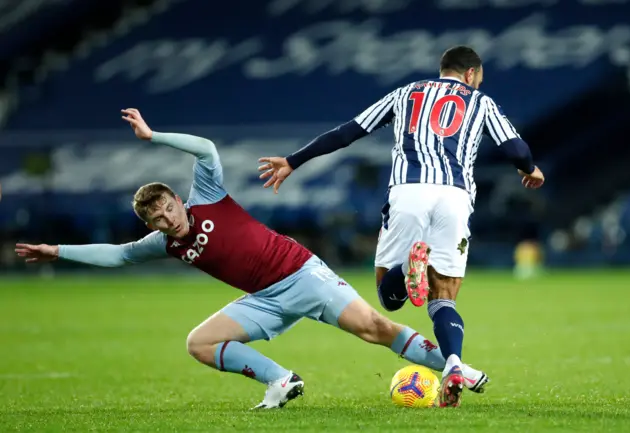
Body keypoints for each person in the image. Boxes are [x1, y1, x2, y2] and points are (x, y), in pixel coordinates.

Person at [15, 108, 487, 409]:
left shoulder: (206, 195)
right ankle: (281, 380)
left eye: (167, 207)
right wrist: (56, 250)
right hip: (262, 299)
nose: (167, 219)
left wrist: (153, 135)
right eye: (157, 219)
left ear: (178, 199)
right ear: (152, 226)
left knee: (376, 330)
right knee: (199, 343)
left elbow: (207, 149)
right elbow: (116, 257)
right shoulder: (167, 243)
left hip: (300, 273)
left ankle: (453, 365)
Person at [258, 45, 544, 407]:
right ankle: (453, 363)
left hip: (409, 191)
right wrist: (528, 169)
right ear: (471, 74)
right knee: (444, 296)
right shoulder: (481, 102)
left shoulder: (406, 93)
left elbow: (348, 132)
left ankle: (410, 266)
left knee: (387, 298)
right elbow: (517, 149)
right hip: (455, 197)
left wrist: (294, 161)